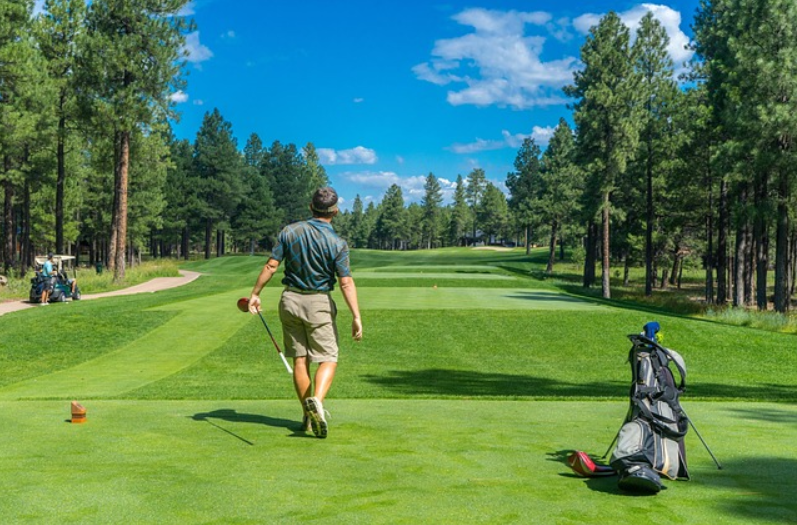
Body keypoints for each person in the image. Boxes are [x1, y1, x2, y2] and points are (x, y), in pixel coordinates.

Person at [248, 187, 362, 439]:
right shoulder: (338, 243)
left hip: (289, 300)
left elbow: (271, 265)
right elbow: (345, 282)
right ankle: (317, 403)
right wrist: (356, 316)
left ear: (311, 207)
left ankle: (308, 417)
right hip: (318, 302)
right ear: (335, 211)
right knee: (328, 358)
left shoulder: (289, 231)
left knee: (300, 360)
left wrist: (256, 293)